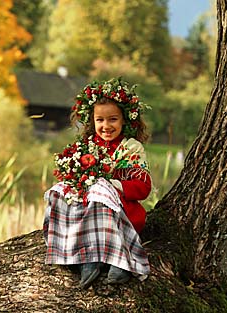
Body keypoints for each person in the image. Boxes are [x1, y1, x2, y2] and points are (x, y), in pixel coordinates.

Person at [43, 77, 152, 289]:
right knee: (61, 192)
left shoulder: (131, 148)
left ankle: (120, 260)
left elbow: (143, 188)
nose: (106, 126)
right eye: (100, 120)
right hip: (89, 214)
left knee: (101, 191)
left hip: (122, 211)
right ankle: (87, 256)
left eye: (113, 119)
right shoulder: (86, 147)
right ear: (92, 121)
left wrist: (114, 185)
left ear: (124, 120)